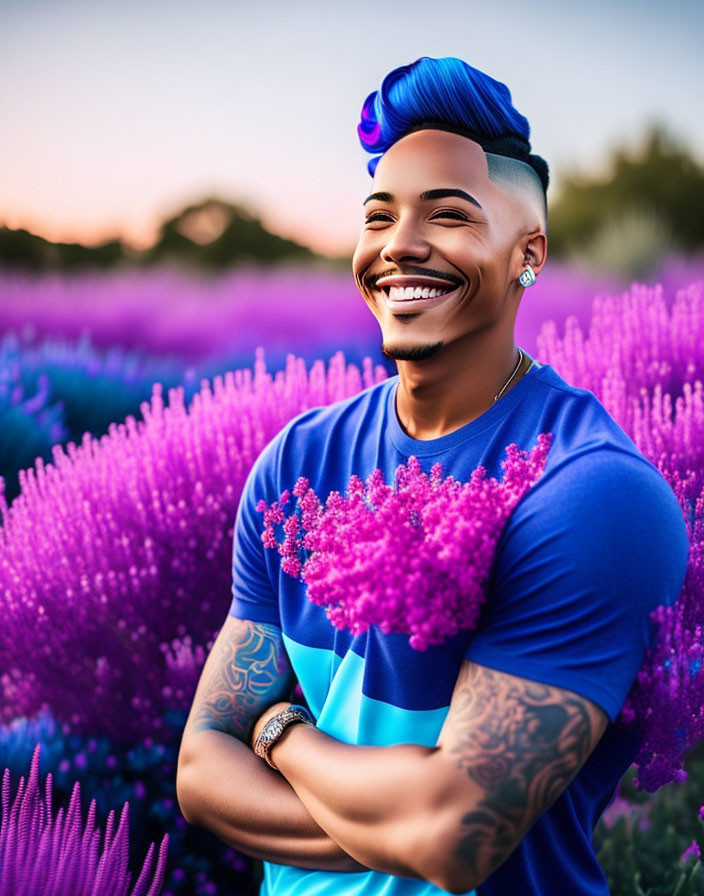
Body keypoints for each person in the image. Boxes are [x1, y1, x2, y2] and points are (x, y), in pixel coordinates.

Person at [176, 56, 689, 895]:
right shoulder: (298, 466)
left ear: (529, 253)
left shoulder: (593, 496)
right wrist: (398, 822)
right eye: (379, 217)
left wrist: (275, 732)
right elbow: (199, 774)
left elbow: (452, 838)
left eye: (449, 217)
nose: (400, 246)